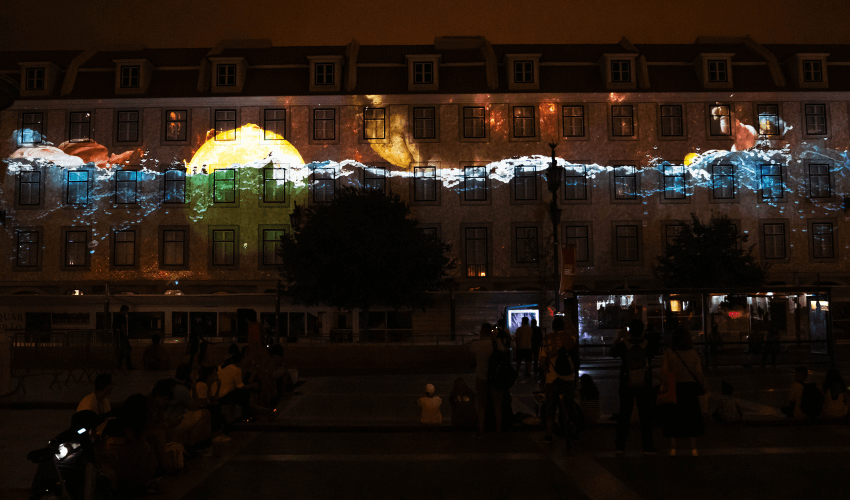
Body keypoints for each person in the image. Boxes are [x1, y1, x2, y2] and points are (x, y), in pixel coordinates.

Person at [611, 319, 656, 455]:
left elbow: (612, 352)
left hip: (626, 382)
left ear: (630, 330)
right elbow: (654, 353)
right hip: (644, 383)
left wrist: (619, 337)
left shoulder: (624, 345)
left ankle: (620, 446)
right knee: (645, 415)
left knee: (625, 414)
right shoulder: (648, 344)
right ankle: (647, 446)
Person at [661, 326, 706, 456]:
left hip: (673, 386)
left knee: (673, 418)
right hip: (690, 388)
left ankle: (673, 448)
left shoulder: (669, 353)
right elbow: (698, 373)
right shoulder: (693, 353)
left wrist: (664, 383)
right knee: (692, 419)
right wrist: (703, 386)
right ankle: (694, 448)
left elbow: (664, 372)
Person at [539, 316, 580, 444]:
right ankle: (574, 431)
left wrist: (545, 376)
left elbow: (542, 362)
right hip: (568, 378)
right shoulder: (570, 338)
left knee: (550, 407)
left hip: (552, 379)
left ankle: (548, 435)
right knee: (570, 404)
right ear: (563, 326)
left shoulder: (547, 339)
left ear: (552, 327)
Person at [468, 322, 506, 437]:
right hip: (495, 377)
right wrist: (494, 338)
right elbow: (503, 352)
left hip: (481, 377)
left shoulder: (476, 345)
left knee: (481, 405)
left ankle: (481, 429)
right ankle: (498, 429)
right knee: (497, 404)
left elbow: (470, 355)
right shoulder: (496, 343)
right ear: (490, 332)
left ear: (480, 332)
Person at [164, 363, 212, 451]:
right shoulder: (181, 389)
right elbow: (195, 407)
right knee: (205, 413)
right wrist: (194, 387)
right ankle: (191, 445)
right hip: (174, 421)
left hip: (167, 419)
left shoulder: (172, 384)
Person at [114, 305, 134, 370]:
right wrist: (126, 338)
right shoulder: (123, 317)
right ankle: (128, 366)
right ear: (124, 310)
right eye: (126, 311)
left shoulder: (116, 317)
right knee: (126, 350)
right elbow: (123, 328)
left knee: (122, 352)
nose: (126, 313)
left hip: (116, 337)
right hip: (122, 337)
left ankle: (120, 365)